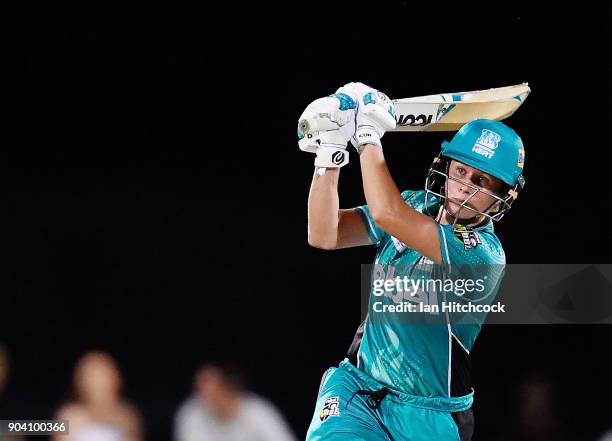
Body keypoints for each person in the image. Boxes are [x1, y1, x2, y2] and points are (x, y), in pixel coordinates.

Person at [298, 82, 526, 441]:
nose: (464, 185)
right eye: (461, 170)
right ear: (445, 167)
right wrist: (329, 153)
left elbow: (389, 214)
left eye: (481, 180)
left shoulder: (483, 255)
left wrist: (368, 136)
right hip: (359, 389)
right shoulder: (416, 204)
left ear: (501, 198)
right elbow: (324, 233)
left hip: (431, 417)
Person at [174, 361, 297, 441]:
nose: (204, 397)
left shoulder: (259, 412)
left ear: (228, 387)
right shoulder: (191, 413)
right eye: (199, 390)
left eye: (213, 390)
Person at [53, 351, 143, 441]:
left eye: (101, 375)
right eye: (90, 376)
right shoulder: (68, 415)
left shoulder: (127, 416)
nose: (96, 382)